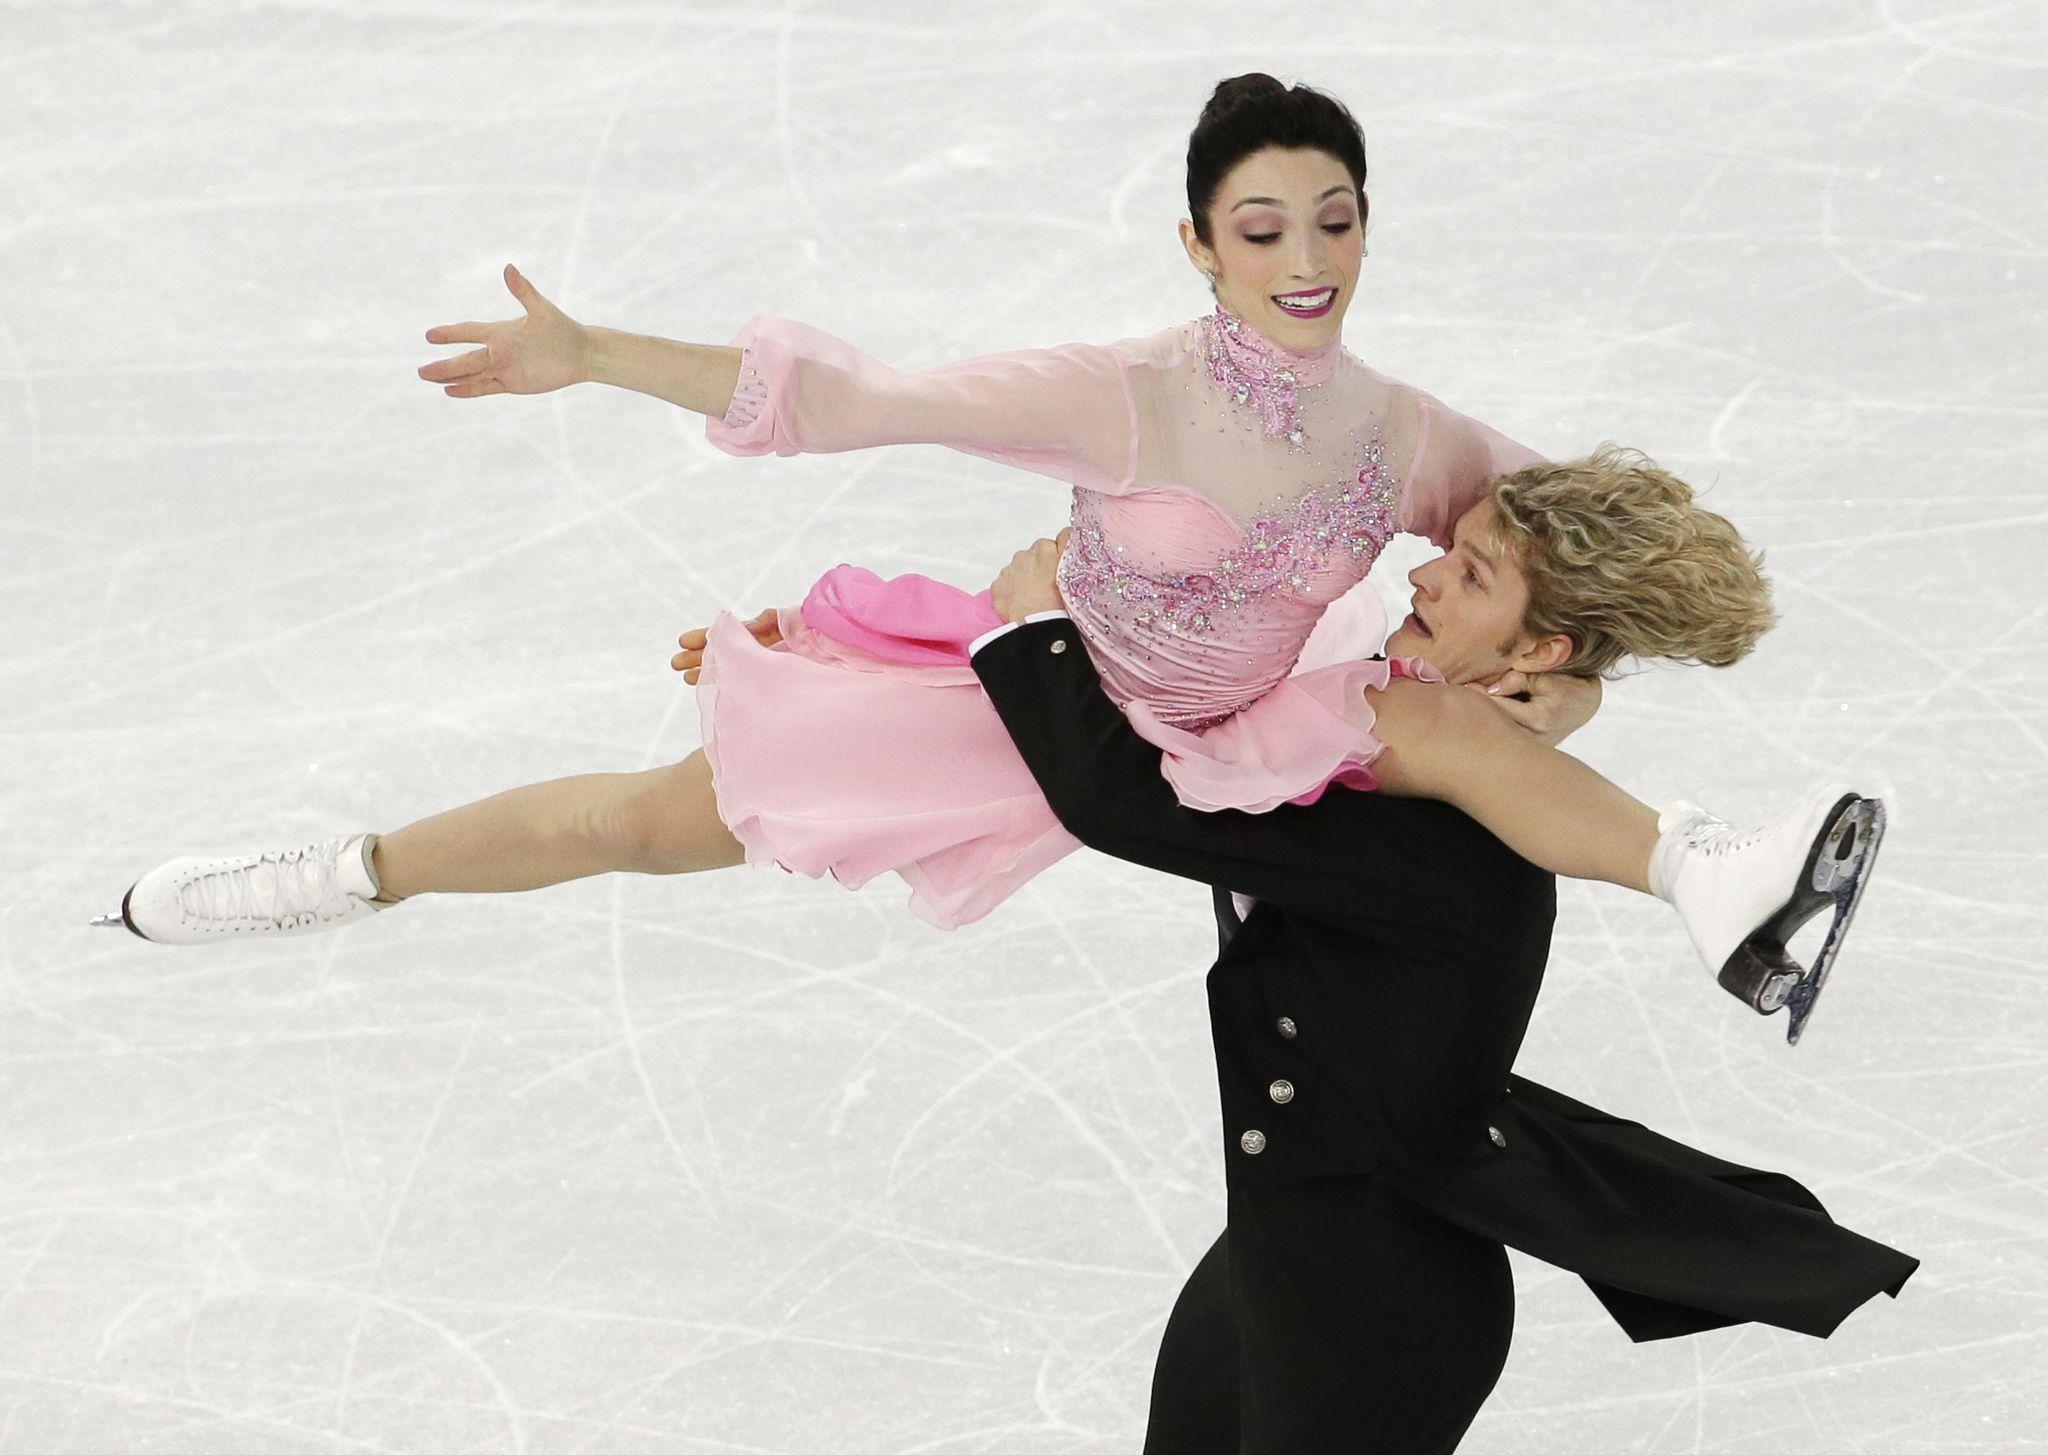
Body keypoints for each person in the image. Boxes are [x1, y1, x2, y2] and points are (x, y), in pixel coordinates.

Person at [95, 74, 1878, 1035]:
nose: (1304, 251)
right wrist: (599, 356)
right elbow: (855, 397)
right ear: (1199, 241)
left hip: (1243, 730)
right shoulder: (1116, 395)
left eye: (1332, 215)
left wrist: (1552, 669)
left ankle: (1704, 874)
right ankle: (343, 868)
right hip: (1037, 706)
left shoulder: (1407, 436)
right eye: (1260, 223)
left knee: (1430, 725)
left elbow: (1567, 564)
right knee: (635, 825)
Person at [958, 531, 1915, 1454]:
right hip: (1282, 1246)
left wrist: (1039, 629)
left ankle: (1713, 871)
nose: (1422, 575)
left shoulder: (1439, 847)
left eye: (1470, 573)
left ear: (1538, 647)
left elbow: (1129, 799)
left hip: (1375, 1305)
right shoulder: (1401, 766)